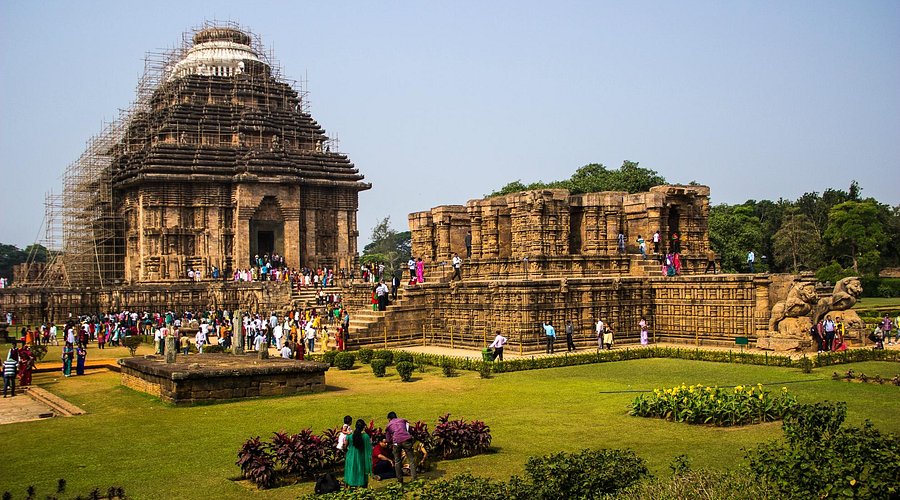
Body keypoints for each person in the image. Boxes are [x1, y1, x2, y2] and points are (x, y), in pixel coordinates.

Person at [386, 411, 416, 483]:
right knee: (411, 460)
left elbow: (388, 439)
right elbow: (409, 430)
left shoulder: (389, 426)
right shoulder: (403, 421)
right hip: (406, 440)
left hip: (397, 442)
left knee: (397, 461)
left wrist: (392, 440)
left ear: (389, 419)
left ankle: (400, 480)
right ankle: (414, 478)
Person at [344, 419, 373, 488]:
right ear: (363, 427)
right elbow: (369, 449)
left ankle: (350, 487)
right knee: (360, 471)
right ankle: (362, 488)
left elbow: (345, 447)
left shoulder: (350, 436)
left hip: (350, 457)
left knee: (351, 471)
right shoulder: (365, 437)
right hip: (361, 457)